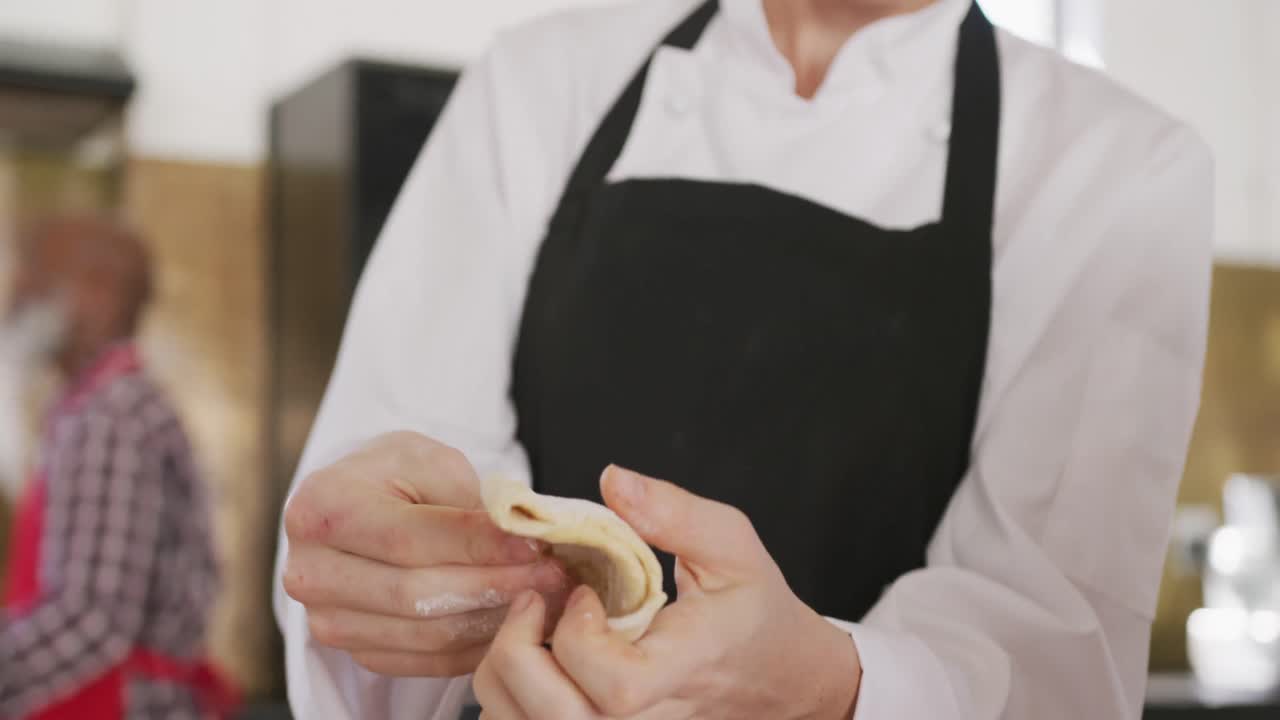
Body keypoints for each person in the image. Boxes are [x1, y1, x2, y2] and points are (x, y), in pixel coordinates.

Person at [275, 0, 1213, 717]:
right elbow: (386, 514)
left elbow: (1056, 663)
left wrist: (828, 685)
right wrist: (390, 587)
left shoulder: (1117, 170)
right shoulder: (543, 78)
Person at [0, 215, 234, 719]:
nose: (16, 295)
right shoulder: (90, 406)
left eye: (36, 276)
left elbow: (91, 617)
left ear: (100, 292)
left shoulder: (112, 417)